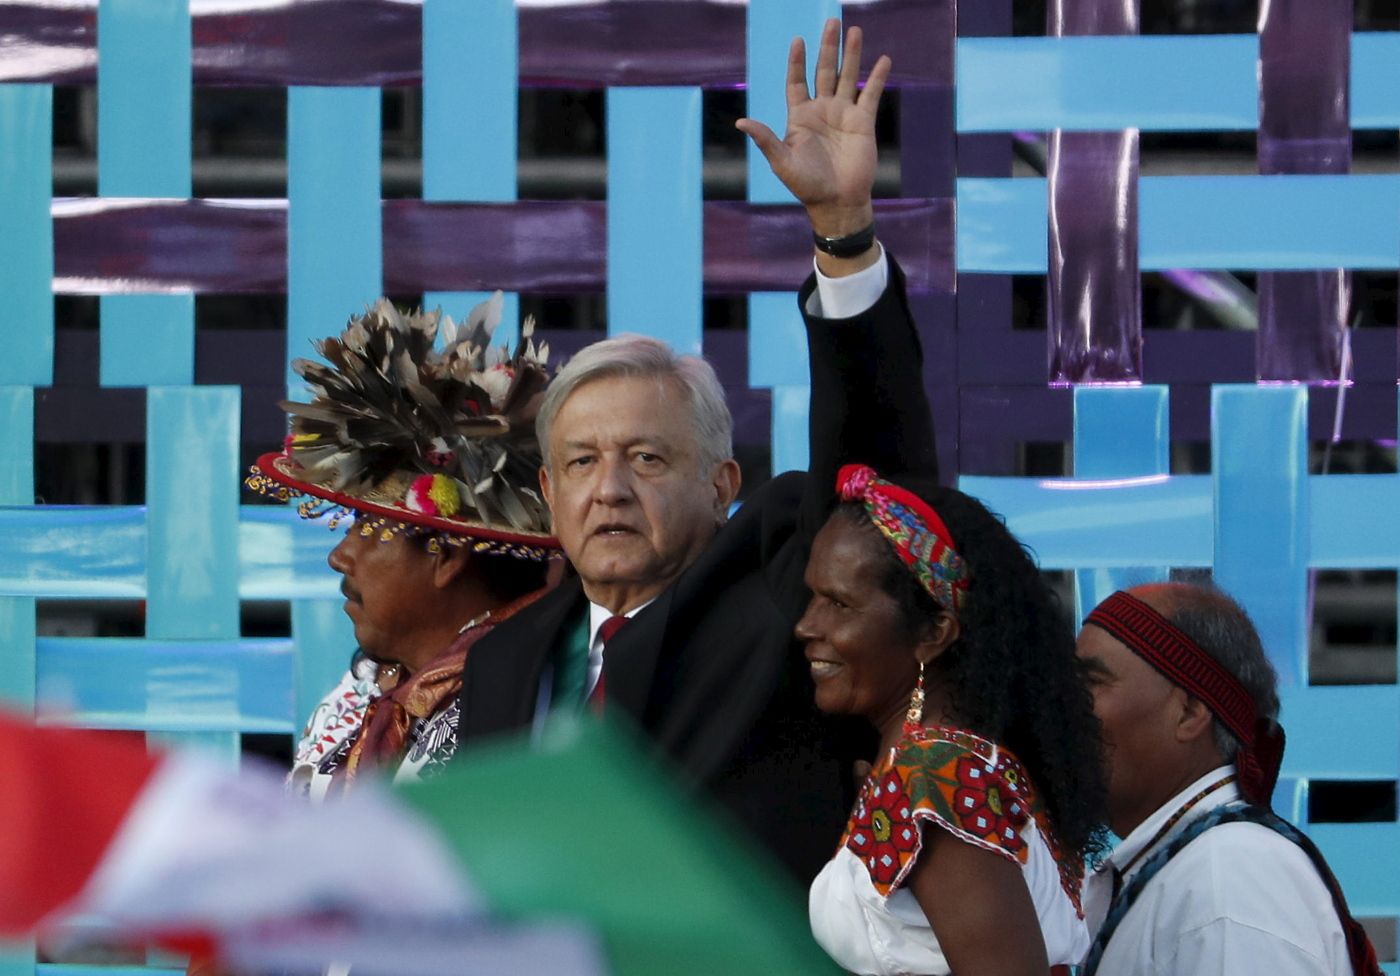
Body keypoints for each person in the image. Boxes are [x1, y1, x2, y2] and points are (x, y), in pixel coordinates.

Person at [454, 20, 936, 880]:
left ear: (723, 484)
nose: (608, 490)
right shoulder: (502, 663)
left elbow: (880, 482)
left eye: (646, 459)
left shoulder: (786, 606)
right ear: (548, 490)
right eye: (580, 462)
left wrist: (844, 232)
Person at [247, 294, 563, 798]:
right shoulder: (361, 691)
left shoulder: (528, 708)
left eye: (367, 528)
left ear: (447, 557)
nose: (339, 556)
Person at [801, 464, 1105, 975]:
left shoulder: (936, 777)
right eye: (813, 596)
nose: (806, 624)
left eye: (839, 603)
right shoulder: (948, 766)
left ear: (934, 632)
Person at [1075, 583, 1380, 975]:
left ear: (1188, 713)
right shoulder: (1205, 869)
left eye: (1090, 683)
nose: (1064, 706)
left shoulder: (1229, 876)